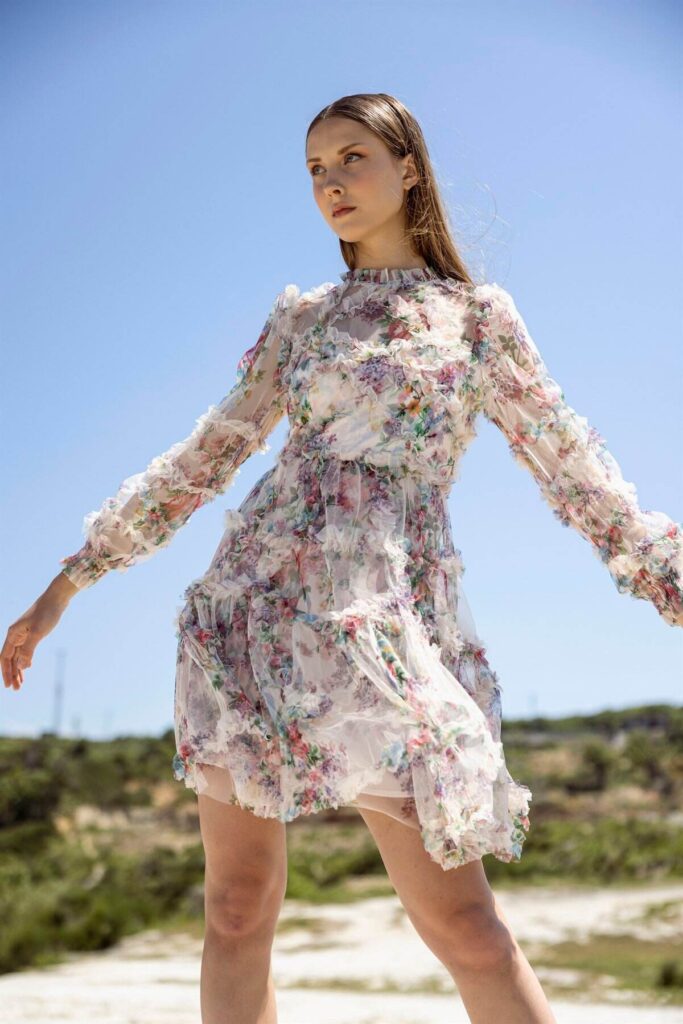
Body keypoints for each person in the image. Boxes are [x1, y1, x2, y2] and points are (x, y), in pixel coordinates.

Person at [2, 92, 681, 1024]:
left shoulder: (475, 320)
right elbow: (208, 454)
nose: (331, 184)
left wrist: (663, 575)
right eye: (315, 169)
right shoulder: (304, 319)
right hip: (258, 611)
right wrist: (69, 582)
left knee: (469, 929)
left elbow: (570, 465)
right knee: (237, 909)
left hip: (390, 627)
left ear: (408, 168)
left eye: (352, 158)